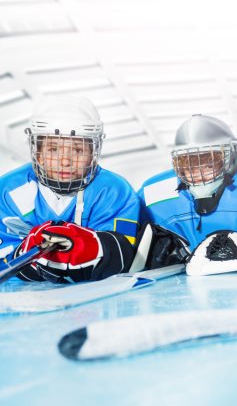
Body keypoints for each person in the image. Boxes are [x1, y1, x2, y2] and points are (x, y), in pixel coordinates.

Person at [0, 95, 139, 282]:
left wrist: (88, 246)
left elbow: (122, 256)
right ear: (38, 153)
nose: (65, 161)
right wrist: (24, 252)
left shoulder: (114, 191)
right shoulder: (7, 190)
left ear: (93, 154)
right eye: (53, 150)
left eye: (78, 150)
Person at [137, 114, 237, 275]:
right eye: (189, 164)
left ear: (231, 158)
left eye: (209, 164)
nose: (197, 173)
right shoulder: (153, 191)